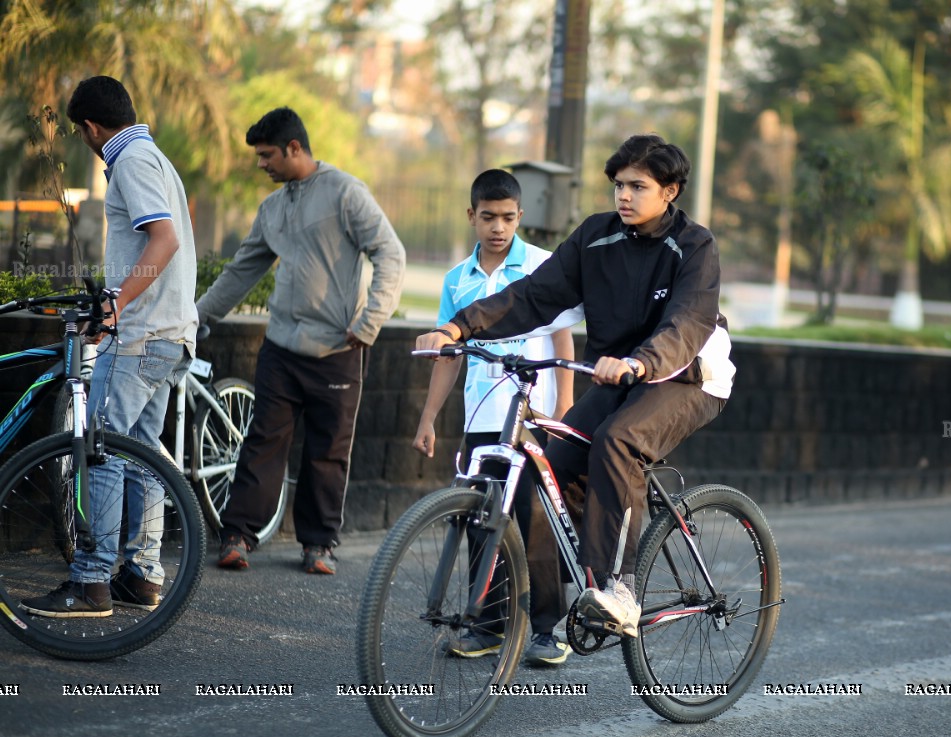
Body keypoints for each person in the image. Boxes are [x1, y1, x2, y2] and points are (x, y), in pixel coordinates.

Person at [416, 134, 735, 637]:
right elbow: (533, 296)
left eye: (638, 186)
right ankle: (548, 615)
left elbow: (686, 325)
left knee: (618, 440)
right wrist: (459, 327)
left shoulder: (694, 246)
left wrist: (640, 363)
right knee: (549, 471)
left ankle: (621, 590)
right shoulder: (595, 236)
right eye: (618, 185)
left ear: (670, 191)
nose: (623, 196)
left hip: (689, 375)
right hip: (618, 373)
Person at [197, 107, 405, 575]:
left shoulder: (346, 193)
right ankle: (237, 536)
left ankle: (318, 545)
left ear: (294, 148)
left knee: (328, 451)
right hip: (281, 349)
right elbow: (242, 269)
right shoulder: (272, 208)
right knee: (262, 441)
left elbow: (390, 252)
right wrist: (197, 316)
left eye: (266, 154)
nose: (260, 163)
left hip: (339, 350)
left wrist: (371, 321)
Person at [23, 76, 198, 617]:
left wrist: (117, 303)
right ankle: (141, 577)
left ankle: (92, 581)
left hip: (142, 336)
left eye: (79, 133)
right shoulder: (157, 158)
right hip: (169, 335)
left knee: (99, 450)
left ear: (90, 127)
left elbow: (163, 238)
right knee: (142, 460)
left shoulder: (132, 162)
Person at [413, 168, 576, 666]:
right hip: (479, 418)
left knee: (534, 519)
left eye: (508, 217)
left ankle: (548, 629)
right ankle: (486, 623)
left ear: (520, 216)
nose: (498, 227)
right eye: (488, 217)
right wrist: (429, 418)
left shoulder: (542, 266)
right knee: (481, 517)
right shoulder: (456, 280)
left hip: (532, 413)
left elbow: (562, 335)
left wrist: (565, 406)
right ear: (472, 217)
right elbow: (449, 354)